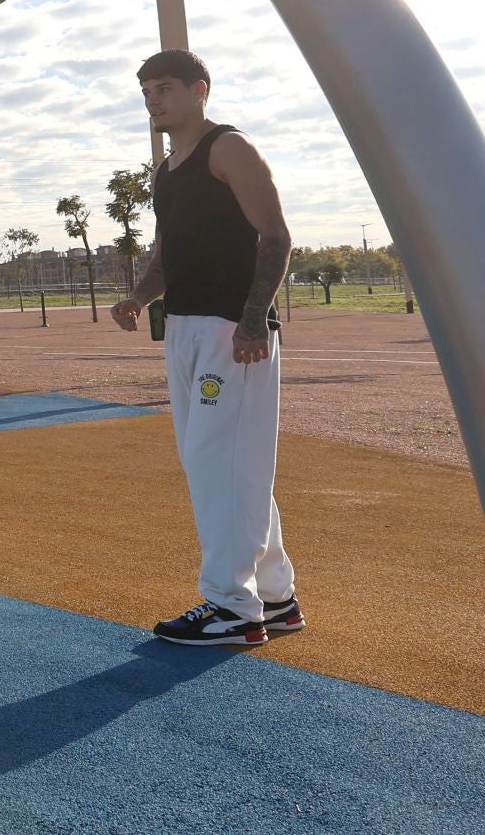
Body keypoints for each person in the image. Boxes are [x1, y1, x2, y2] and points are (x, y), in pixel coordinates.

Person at [111, 49, 303, 647]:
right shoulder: (167, 170)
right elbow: (168, 253)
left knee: (220, 463)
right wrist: (140, 296)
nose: (153, 101)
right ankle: (274, 596)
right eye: (146, 91)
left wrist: (252, 323)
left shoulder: (230, 149)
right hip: (185, 328)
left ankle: (231, 607)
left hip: (231, 331)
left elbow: (276, 237)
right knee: (218, 463)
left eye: (164, 89)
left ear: (199, 90)